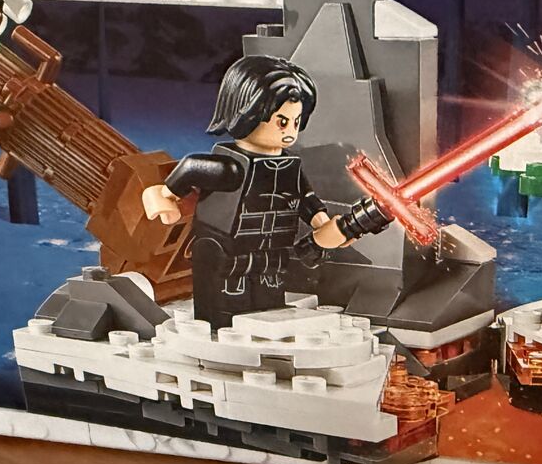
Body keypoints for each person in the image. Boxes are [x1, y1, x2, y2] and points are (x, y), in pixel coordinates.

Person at [141, 54, 390, 326]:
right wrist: (162, 196)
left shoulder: (288, 166)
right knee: (225, 309)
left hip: (272, 253)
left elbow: (305, 198)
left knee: (268, 306)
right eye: (282, 122)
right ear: (247, 113)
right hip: (225, 252)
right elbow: (189, 168)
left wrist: (325, 226)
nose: (290, 132)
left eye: (296, 122)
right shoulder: (230, 168)